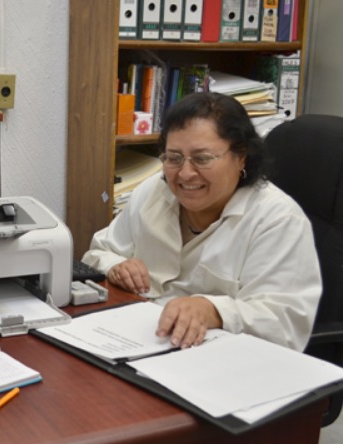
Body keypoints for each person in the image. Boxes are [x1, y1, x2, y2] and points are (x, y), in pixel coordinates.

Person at [83, 92, 321, 352]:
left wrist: (213, 310)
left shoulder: (277, 220)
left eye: (202, 159)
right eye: (173, 158)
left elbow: (284, 324)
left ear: (241, 156)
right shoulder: (153, 192)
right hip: (138, 341)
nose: (185, 173)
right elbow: (97, 253)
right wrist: (117, 265)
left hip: (222, 362)